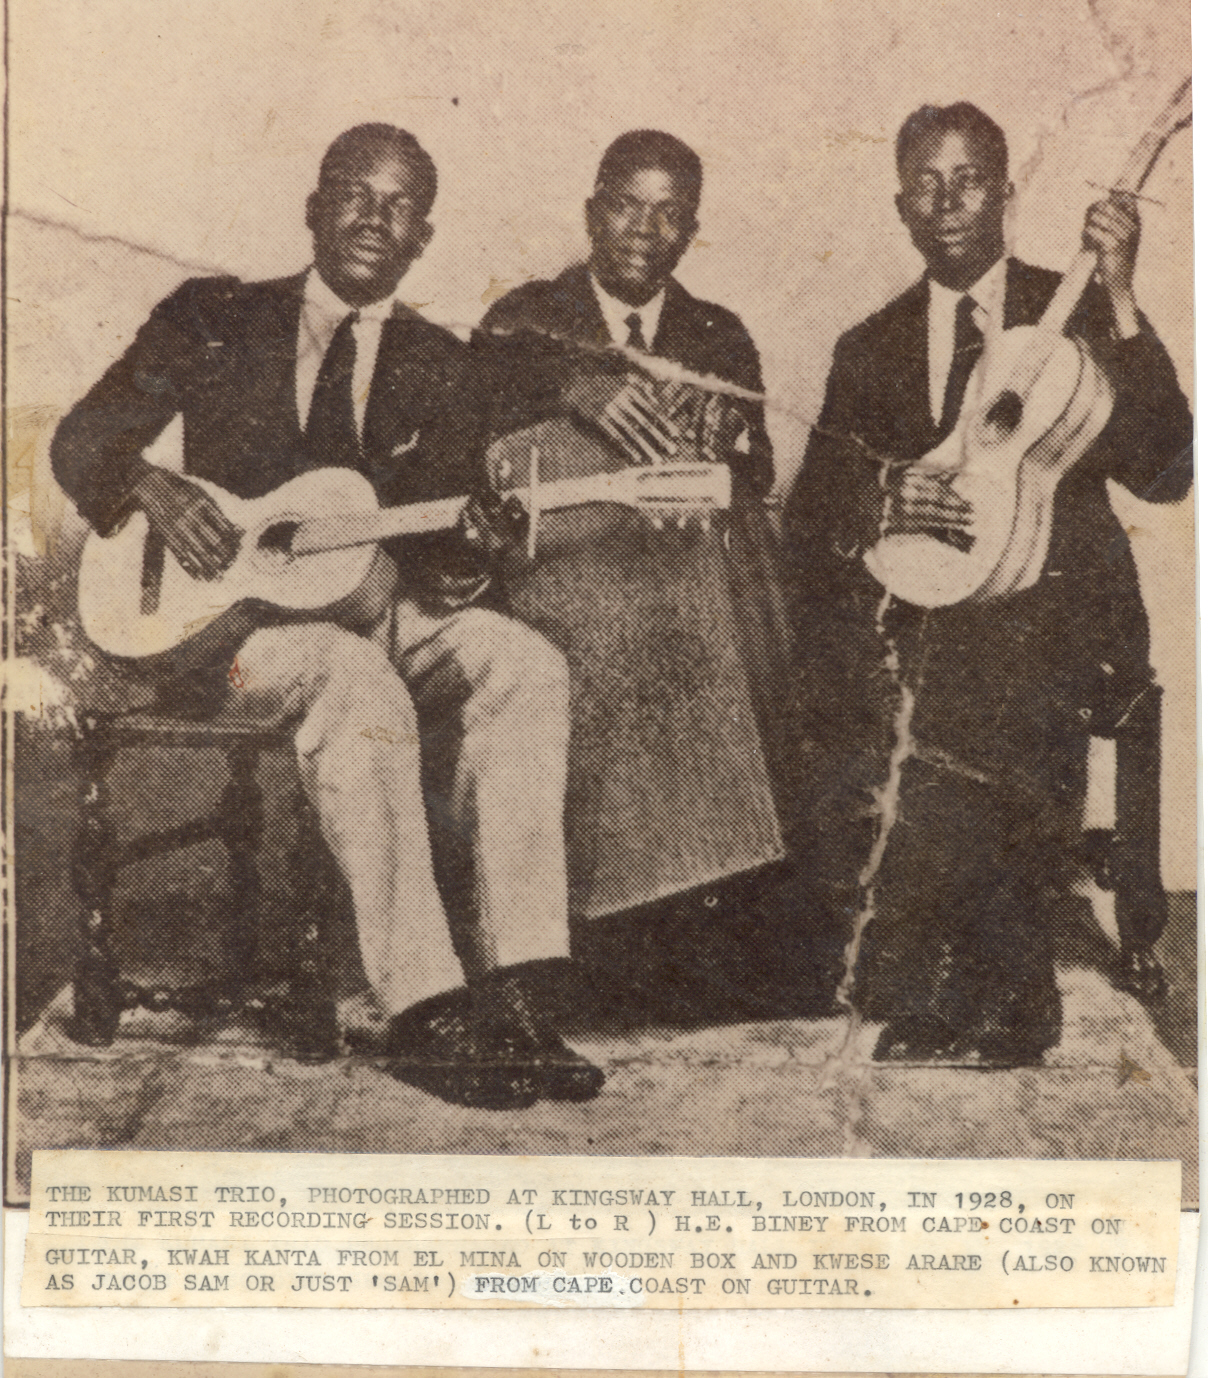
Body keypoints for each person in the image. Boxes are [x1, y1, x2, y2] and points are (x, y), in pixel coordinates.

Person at [51, 123, 604, 1110]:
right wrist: (145, 484)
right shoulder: (212, 315)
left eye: (399, 206)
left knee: (522, 663)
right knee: (356, 681)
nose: (372, 217)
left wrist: (473, 550)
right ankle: (426, 1008)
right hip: (224, 637)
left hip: (371, 608)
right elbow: (83, 438)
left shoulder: (443, 362)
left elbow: (439, 555)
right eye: (355, 192)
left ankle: (516, 994)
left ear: (421, 240)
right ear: (313, 206)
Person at [783, 102, 1193, 1065]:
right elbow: (813, 521)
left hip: (1067, 612)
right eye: (925, 184)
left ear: (1007, 194)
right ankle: (951, 978)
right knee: (896, 666)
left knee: (994, 666)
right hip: (929, 614)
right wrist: (887, 495)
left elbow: (1168, 472)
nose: (948, 201)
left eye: (968, 180)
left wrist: (1126, 296)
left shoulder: (1082, 310)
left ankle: (1005, 988)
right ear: (900, 206)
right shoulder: (867, 346)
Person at [477, 130, 820, 1018]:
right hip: (567, 580)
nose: (643, 228)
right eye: (627, 204)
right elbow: (471, 436)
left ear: (690, 231)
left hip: (682, 578)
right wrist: (574, 391)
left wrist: (726, 442)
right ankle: (601, 941)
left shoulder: (718, 334)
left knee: (735, 622)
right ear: (593, 211)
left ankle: (711, 922)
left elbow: (758, 471)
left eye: (669, 213)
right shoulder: (524, 316)